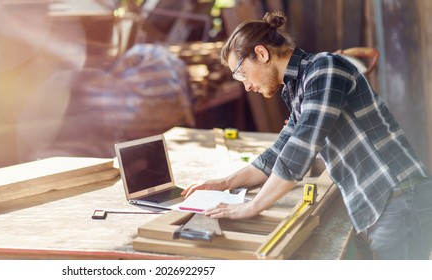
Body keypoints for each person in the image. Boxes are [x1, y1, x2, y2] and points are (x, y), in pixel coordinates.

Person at [181, 11, 432, 260]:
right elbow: (278, 153)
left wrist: (252, 207)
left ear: (261, 53)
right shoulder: (298, 88)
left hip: (400, 198)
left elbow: (301, 150)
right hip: (385, 204)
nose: (246, 86)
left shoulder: (325, 69)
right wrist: (223, 184)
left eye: (242, 74)